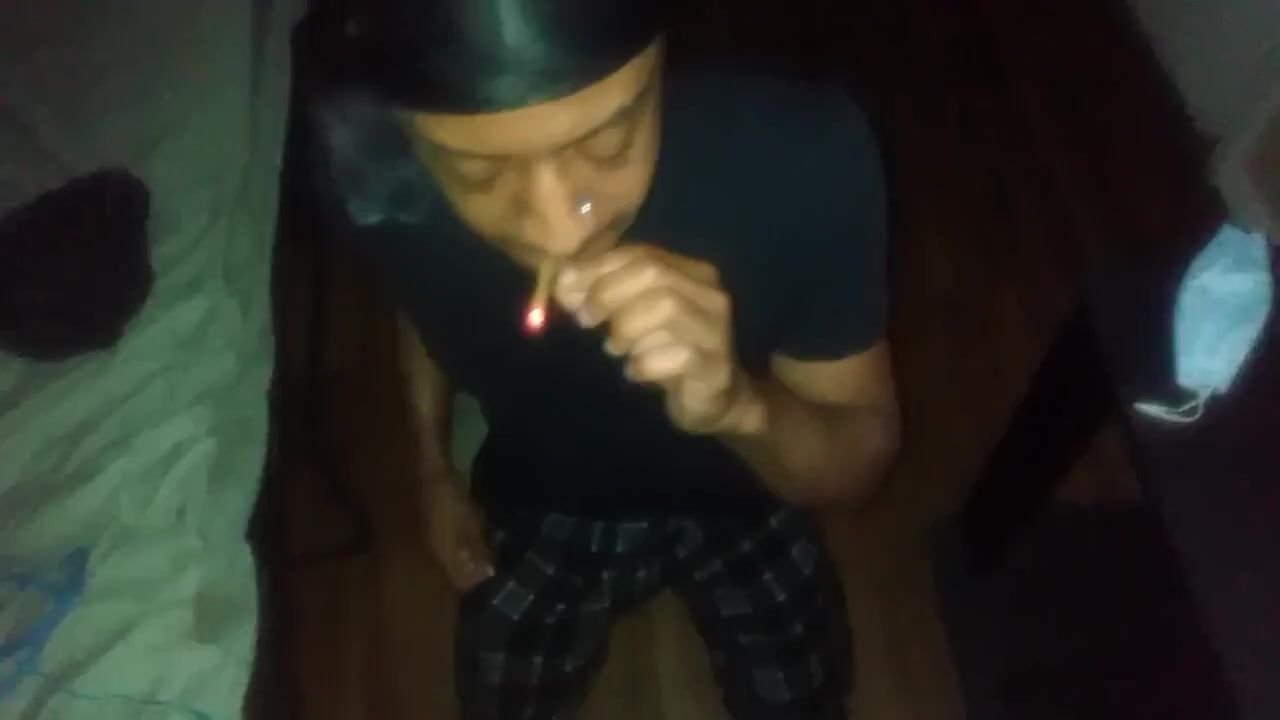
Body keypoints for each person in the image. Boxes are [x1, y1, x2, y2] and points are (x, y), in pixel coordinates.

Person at [309, 0, 900, 717]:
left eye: (612, 138)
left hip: (749, 495)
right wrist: (434, 472)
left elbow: (857, 462)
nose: (559, 230)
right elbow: (420, 302)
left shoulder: (803, 158)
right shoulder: (369, 177)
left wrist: (740, 407)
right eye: (476, 171)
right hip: (543, 499)